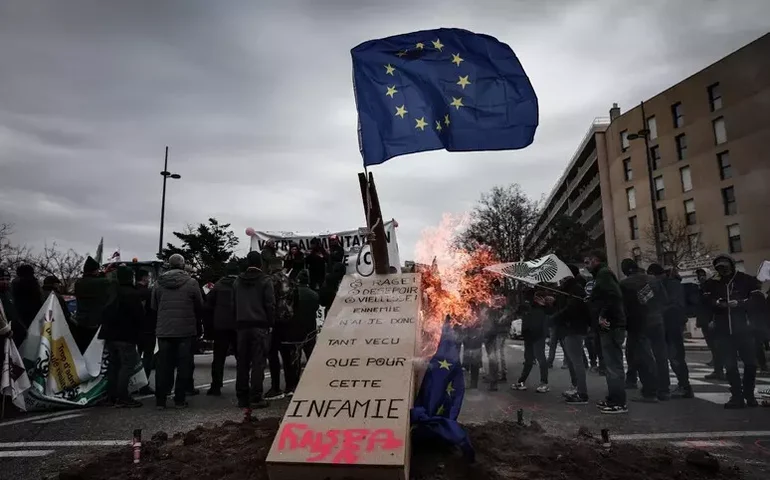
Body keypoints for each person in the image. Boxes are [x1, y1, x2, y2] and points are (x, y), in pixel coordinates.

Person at [703, 254, 764, 408]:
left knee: (750, 363)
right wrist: (717, 303)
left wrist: (741, 303)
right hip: (723, 331)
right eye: (719, 268)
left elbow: (758, 299)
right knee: (730, 365)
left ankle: (749, 395)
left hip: (744, 329)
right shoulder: (713, 284)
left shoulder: (746, 280)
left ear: (732, 265)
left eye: (724, 266)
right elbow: (705, 302)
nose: (722, 270)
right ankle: (736, 396)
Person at [152, 254, 203, 409]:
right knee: (184, 365)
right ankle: (179, 399)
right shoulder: (192, 283)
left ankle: (160, 400)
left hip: (164, 330)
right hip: (185, 330)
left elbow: (154, 306)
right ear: (182, 265)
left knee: (163, 366)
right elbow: (199, 305)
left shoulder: (158, 283)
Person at [620, 259, 670, 402]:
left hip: (639, 324)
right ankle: (664, 390)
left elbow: (624, 307)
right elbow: (664, 300)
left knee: (643, 357)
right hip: (657, 321)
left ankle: (650, 391)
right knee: (661, 356)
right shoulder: (654, 280)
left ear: (625, 270)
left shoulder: (624, 284)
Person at [585, 250, 627, 414]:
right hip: (609, 325)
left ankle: (619, 402)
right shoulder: (601, 275)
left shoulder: (603, 274)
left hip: (611, 325)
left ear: (596, 260)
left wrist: (603, 315)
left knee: (613, 365)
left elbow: (614, 296)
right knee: (610, 365)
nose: (586, 266)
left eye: (588, 262)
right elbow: (606, 296)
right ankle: (613, 398)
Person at [232, 251, 274, 408]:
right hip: (259, 325)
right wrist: (271, 323)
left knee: (242, 362)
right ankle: (256, 396)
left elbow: (233, 304)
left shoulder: (237, 281)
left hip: (242, 325)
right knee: (258, 362)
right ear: (261, 263)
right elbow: (270, 304)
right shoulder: (265, 280)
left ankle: (242, 396)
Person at [98, 266, 144, 408]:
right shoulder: (132, 294)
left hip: (110, 335)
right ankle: (123, 396)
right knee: (127, 366)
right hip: (126, 335)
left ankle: (111, 396)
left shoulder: (111, 292)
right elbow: (139, 315)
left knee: (113, 366)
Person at [648, 263, 693, 399]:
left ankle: (684, 386)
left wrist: (657, 311)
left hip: (671, 324)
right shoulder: (667, 284)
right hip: (668, 324)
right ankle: (676, 386)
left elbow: (674, 304)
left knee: (675, 357)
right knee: (670, 357)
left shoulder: (671, 285)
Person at [553, 265, 592, 405]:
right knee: (572, 361)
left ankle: (582, 393)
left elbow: (571, 309)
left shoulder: (576, 289)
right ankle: (577, 388)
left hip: (574, 329)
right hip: (568, 328)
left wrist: (555, 317)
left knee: (577, 362)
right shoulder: (567, 288)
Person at [205, 262, 240, 396]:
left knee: (218, 357)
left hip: (221, 326)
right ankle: (242, 386)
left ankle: (216, 386)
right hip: (237, 325)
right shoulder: (240, 285)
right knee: (241, 357)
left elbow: (208, 305)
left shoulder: (218, 285)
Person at [265, 261, 298, 399]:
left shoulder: (269, 281)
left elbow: (268, 301)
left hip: (274, 322)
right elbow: (296, 301)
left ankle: (275, 387)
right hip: (288, 322)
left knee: (273, 356)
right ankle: (291, 386)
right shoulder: (290, 281)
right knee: (288, 356)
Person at [511, 288, 552, 393]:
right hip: (529, 335)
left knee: (540, 359)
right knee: (529, 360)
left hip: (537, 336)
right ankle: (522, 381)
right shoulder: (530, 306)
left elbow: (544, 321)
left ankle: (544, 383)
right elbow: (520, 311)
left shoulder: (544, 309)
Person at [73, 257, 114, 353]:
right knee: (94, 353)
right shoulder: (101, 283)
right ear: (95, 271)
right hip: (95, 324)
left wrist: (103, 272)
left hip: (81, 322)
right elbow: (106, 282)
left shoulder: (78, 283)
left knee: (81, 350)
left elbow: (93, 281)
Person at [694, 269, 722, 380]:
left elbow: (713, 304)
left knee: (716, 346)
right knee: (712, 346)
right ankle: (717, 368)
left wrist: (713, 319)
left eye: (703, 275)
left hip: (711, 320)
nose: (701, 277)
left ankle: (719, 370)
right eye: (699, 275)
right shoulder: (701, 287)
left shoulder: (712, 286)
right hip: (705, 320)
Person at [10, 264, 43, 347]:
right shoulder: (33, 283)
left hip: (18, 318)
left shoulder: (14, 284)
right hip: (33, 317)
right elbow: (39, 301)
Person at [135, 269, 156, 395]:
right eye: (148, 278)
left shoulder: (133, 291)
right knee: (148, 358)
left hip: (134, 330)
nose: (149, 280)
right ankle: (143, 384)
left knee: (133, 359)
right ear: (143, 278)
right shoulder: (148, 293)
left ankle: (131, 383)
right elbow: (153, 310)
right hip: (148, 329)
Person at [294, 270, 320, 365]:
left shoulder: (292, 294)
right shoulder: (314, 295)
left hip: (295, 329)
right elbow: (316, 308)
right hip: (310, 329)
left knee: (296, 357)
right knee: (311, 357)